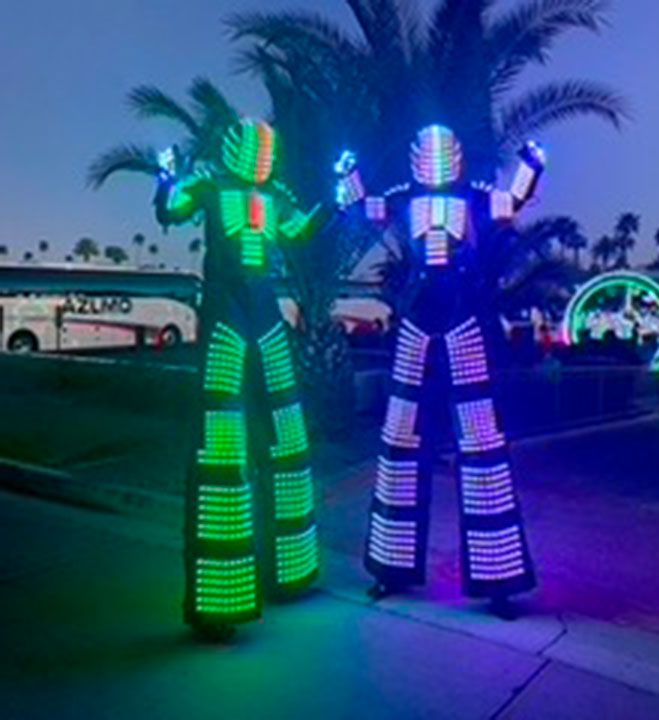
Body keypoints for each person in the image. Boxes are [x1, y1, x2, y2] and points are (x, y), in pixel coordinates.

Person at [336, 125, 545, 616]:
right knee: (400, 438)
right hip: (417, 320)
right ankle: (390, 567)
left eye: (443, 153)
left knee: (481, 440)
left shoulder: (475, 198)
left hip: (462, 319)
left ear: (456, 157)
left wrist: (531, 167)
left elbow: (512, 201)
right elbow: (363, 208)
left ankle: (498, 580)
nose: (435, 161)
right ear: (417, 158)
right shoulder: (404, 198)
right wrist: (348, 177)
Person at [155, 118, 323, 640]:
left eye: (265, 150)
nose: (258, 157)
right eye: (253, 149)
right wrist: (167, 178)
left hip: (266, 314)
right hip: (227, 314)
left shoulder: (276, 196)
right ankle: (220, 598)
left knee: (287, 435)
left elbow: (298, 231)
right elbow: (171, 210)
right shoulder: (208, 185)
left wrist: (335, 202)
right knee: (221, 443)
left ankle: (291, 571)